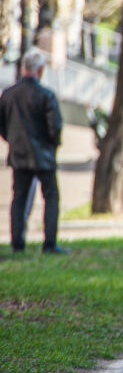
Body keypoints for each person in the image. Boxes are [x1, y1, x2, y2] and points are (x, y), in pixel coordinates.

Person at [0, 49, 64, 254]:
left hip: (18, 154)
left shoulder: (8, 94)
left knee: (18, 198)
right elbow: (54, 127)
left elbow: (2, 125)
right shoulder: (46, 95)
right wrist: (52, 144)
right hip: (43, 154)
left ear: (23, 68)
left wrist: (12, 140)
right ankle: (50, 243)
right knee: (51, 197)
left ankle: (17, 243)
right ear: (40, 70)